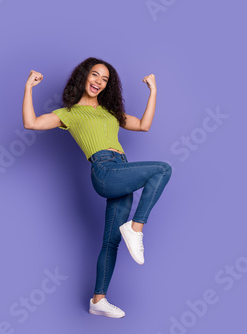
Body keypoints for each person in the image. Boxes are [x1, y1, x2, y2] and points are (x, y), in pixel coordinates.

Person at [22, 57, 172, 318]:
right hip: (104, 171)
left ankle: (98, 300)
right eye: (95, 75)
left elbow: (143, 125)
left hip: (121, 169)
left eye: (104, 79)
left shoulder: (110, 111)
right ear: (84, 76)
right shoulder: (68, 113)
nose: (99, 82)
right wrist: (29, 88)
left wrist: (154, 91)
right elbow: (31, 123)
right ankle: (136, 228)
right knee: (162, 169)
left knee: (111, 241)